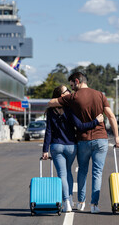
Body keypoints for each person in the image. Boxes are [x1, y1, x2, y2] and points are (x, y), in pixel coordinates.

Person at [48, 72, 119, 214]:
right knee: (97, 173)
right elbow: (111, 116)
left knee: (82, 171)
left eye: (72, 85)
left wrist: (61, 97)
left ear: (77, 81)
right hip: (101, 139)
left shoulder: (73, 97)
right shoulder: (100, 95)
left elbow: (51, 103)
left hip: (83, 140)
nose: (72, 88)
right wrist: (117, 138)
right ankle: (94, 205)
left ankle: (81, 202)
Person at [43, 85, 104, 213]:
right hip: (71, 146)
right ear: (61, 95)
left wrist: (45, 150)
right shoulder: (70, 110)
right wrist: (96, 121)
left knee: (62, 174)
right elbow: (81, 126)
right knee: (68, 172)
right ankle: (70, 199)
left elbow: (48, 131)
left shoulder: (50, 111)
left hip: (56, 146)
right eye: (67, 91)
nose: (70, 93)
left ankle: (67, 202)